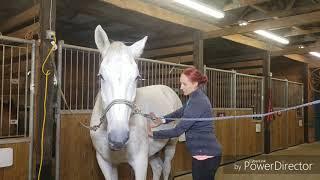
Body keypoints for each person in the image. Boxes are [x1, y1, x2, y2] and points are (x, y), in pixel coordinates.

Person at [148, 67, 222, 180]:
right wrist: (161, 120)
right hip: (202, 153)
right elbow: (180, 112)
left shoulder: (198, 102)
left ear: (195, 84)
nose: (181, 87)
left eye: (184, 84)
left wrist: (153, 134)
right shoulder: (194, 98)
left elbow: (177, 130)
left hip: (206, 155)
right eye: (181, 83)